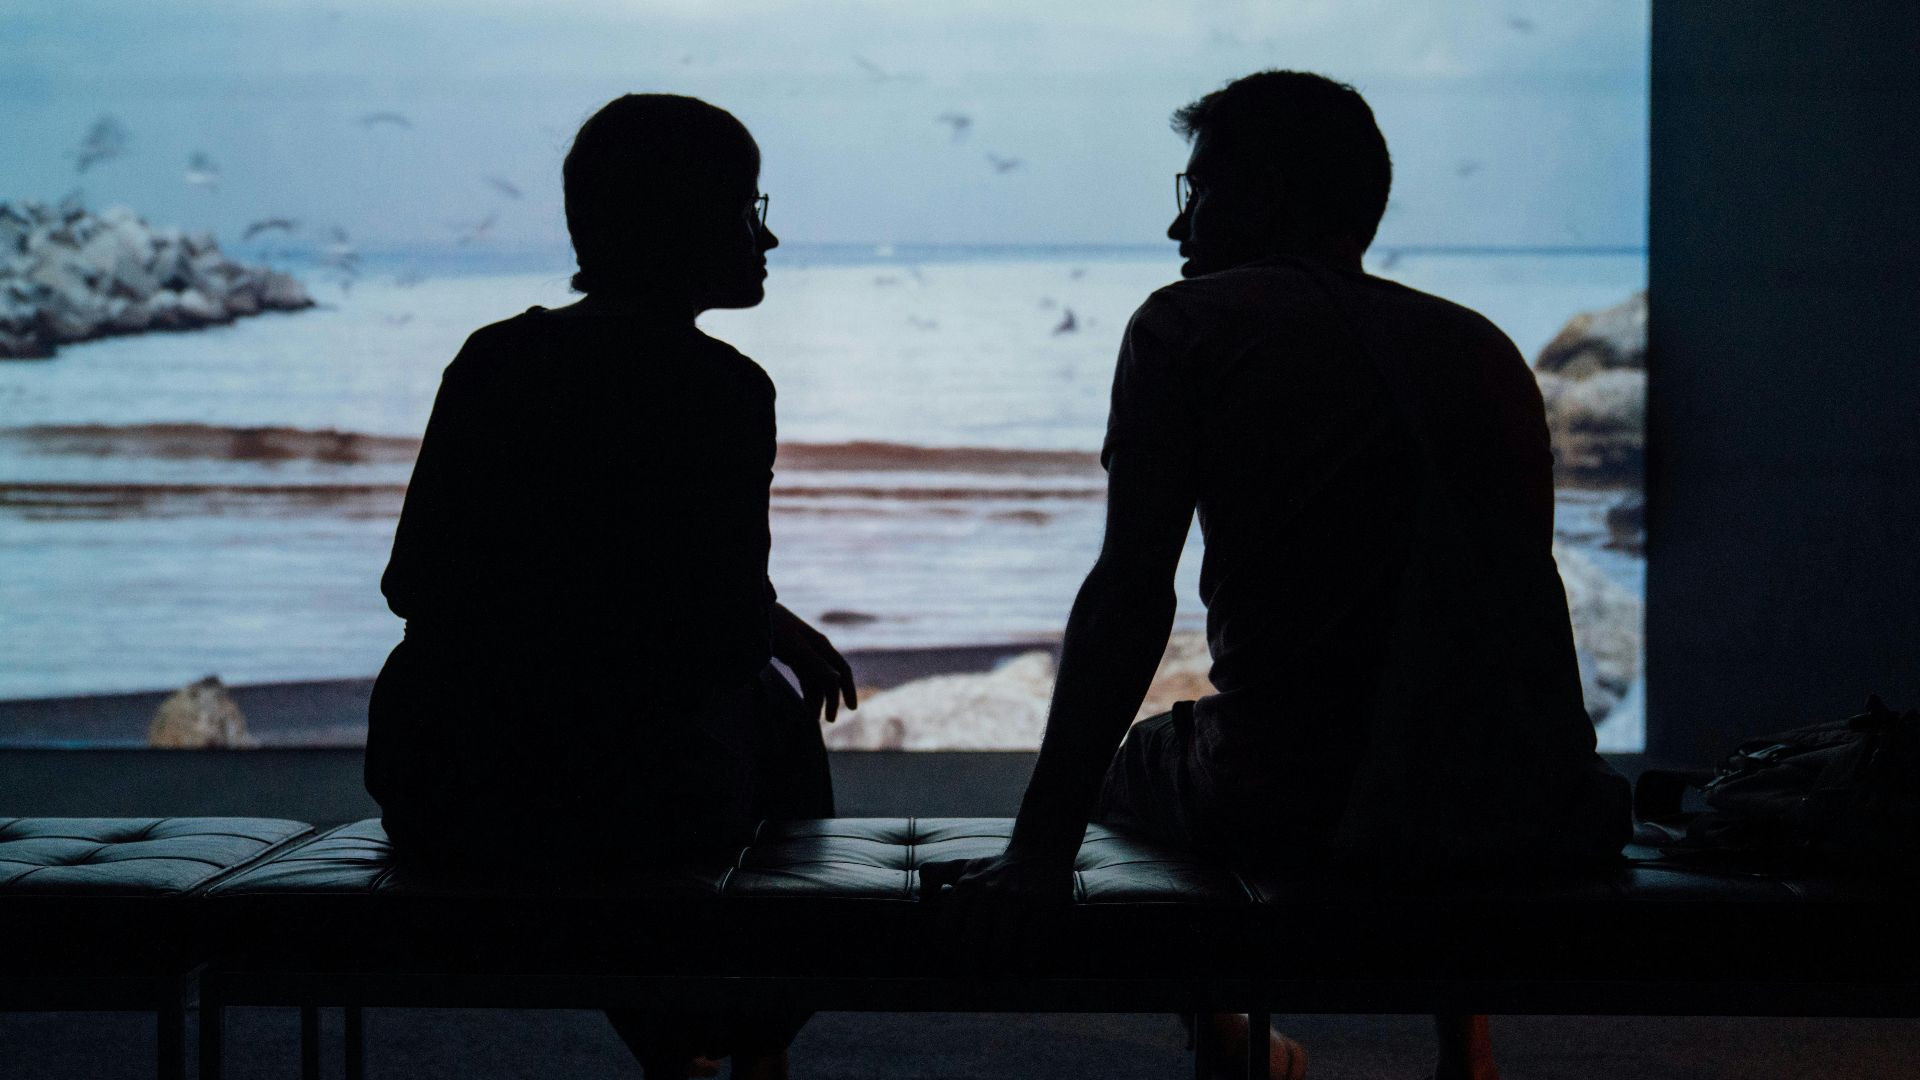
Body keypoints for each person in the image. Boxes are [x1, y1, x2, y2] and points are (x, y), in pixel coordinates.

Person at [922, 71, 1632, 1080]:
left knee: (1137, 762)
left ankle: (1231, 1041)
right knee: (1431, 700)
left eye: (1198, 190)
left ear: (1268, 196)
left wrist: (1038, 854)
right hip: (1537, 800)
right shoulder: (1481, 344)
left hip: (1304, 799)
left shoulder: (1188, 324)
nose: (1178, 227)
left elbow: (1131, 590)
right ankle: (1464, 1045)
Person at [363, 93, 857, 1080]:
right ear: (688, 222)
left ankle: (677, 1054)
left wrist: (758, 619)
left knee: (634, 728)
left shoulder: (496, 357)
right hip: (625, 806)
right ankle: (753, 1048)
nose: (768, 234)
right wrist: (757, 635)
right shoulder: (722, 385)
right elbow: (714, 636)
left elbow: (413, 579)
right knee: (761, 716)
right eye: (747, 207)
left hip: (443, 784)